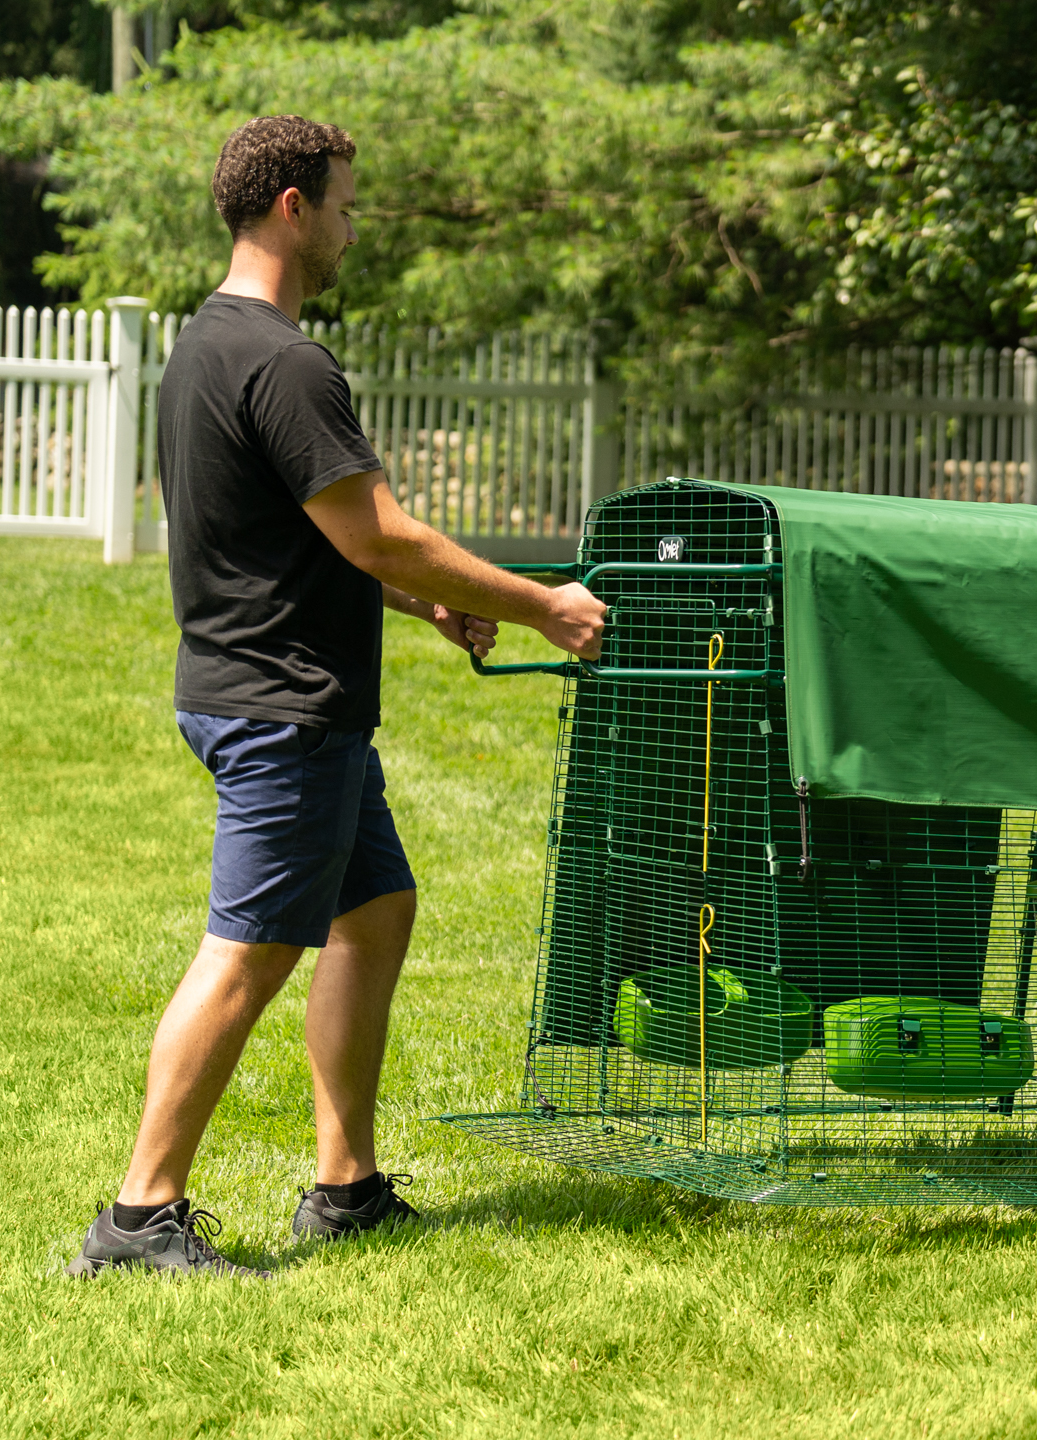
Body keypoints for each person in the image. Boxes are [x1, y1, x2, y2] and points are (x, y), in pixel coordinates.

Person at [68, 116, 607, 1278]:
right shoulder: (285, 361)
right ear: (292, 208)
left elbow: (293, 538)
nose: (357, 228)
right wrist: (539, 605)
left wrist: (423, 607)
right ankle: (136, 1217)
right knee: (249, 954)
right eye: (349, 206)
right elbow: (378, 530)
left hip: (260, 690)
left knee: (377, 912)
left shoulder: (207, 347)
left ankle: (346, 1186)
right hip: (283, 709)